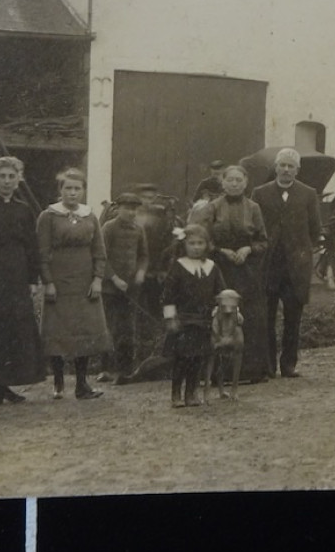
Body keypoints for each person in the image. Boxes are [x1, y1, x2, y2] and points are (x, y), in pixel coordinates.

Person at [0, 156, 47, 406]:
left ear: (18, 179)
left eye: (11, 176)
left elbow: (31, 247)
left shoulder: (24, 209)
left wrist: (32, 280)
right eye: (1, 177)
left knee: (16, 330)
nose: (6, 181)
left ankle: (5, 386)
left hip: (18, 274)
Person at [188, 164, 271, 381]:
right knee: (220, 318)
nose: (234, 184)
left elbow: (263, 241)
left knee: (250, 318)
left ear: (246, 183)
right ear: (222, 183)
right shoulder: (212, 208)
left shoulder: (253, 208)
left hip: (247, 272)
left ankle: (251, 371)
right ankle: (217, 374)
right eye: (230, 180)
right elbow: (201, 239)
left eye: (239, 180)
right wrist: (220, 251)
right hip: (220, 271)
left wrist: (248, 249)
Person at [38, 167, 112, 399]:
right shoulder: (48, 216)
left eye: (77, 188)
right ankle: (58, 383)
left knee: (85, 328)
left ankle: (82, 384)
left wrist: (98, 279)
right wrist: (48, 282)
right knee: (58, 329)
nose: (72, 193)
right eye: (68, 188)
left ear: (83, 191)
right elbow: (42, 252)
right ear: (60, 190)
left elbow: (99, 251)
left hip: (85, 280)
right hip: (59, 280)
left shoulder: (89, 215)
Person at [251, 147, 324, 378]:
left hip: (296, 267)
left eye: (290, 166)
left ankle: (289, 364)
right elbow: (253, 227)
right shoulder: (260, 193)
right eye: (282, 165)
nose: (285, 170)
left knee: (293, 317)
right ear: (275, 168)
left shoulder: (308, 194)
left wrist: (301, 252)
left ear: (297, 170)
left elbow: (315, 229)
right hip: (268, 265)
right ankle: (268, 365)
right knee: (267, 317)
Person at [161, 223, 225, 408]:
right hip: (184, 320)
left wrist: (219, 311)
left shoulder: (212, 267)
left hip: (204, 321)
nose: (196, 247)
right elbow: (168, 295)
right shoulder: (179, 266)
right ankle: (176, 394)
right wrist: (170, 318)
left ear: (207, 245)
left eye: (200, 243)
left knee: (198, 358)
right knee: (182, 358)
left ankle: (191, 393)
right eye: (192, 243)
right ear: (184, 245)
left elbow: (220, 292)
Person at [100, 191, 149, 384]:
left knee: (128, 328)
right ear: (118, 208)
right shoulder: (108, 228)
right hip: (110, 288)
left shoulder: (138, 230)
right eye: (127, 208)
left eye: (134, 209)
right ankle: (106, 369)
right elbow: (101, 257)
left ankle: (126, 369)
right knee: (110, 327)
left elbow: (144, 256)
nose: (131, 212)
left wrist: (141, 272)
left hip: (131, 289)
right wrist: (113, 278)